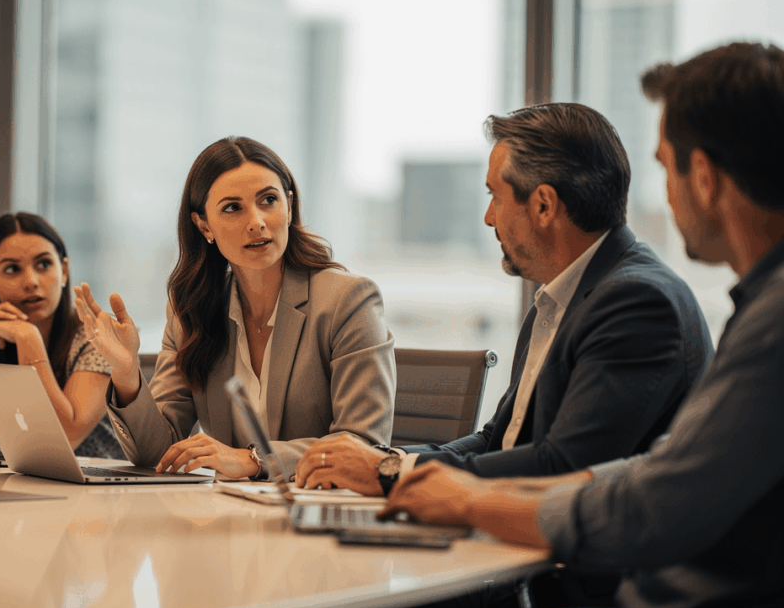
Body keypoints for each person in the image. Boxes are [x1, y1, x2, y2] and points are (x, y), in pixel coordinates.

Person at [380, 42, 784, 608]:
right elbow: (654, 469)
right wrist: (421, 478)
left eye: (666, 166)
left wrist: (450, 493)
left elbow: (644, 499)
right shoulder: (754, 308)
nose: (665, 194)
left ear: (703, 176)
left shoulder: (676, 306)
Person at [296, 103, 713, 496]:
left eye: (495, 196)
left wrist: (387, 474)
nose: (489, 216)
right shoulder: (560, 299)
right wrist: (390, 461)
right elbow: (498, 440)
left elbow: (562, 468)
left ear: (544, 205)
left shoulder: (636, 303)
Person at [74, 136, 395, 479]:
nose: (256, 221)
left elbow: (364, 444)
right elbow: (156, 453)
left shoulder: (348, 300)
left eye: (268, 200)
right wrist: (125, 372)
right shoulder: (192, 310)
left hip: (315, 512)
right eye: (232, 208)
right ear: (203, 226)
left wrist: (253, 460)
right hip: (232, 515)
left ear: (288, 206)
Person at [0, 212, 121, 457]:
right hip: (21, 483)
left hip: (100, 489)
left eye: (43, 264)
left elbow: (64, 438)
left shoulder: (97, 335)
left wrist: (29, 341)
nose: (30, 281)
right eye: (12, 269)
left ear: (63, 271)